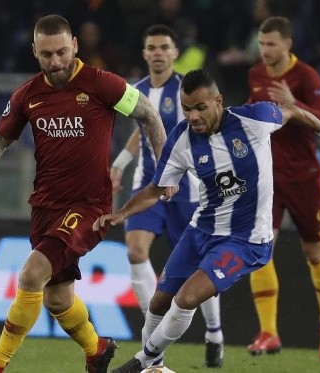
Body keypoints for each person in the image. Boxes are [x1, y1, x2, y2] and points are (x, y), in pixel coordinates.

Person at [0, 15, 168, 373]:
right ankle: (97, 349)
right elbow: (0, 139)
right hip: (46, 205)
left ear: (75, 45)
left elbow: (148, 114)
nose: (56, 62)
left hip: (89, 206)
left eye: (62, 52)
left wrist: (164, 169)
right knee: (56, 298)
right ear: (35, 51)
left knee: (32, 274)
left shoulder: (102, 84)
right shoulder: (28, 95)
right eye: (47, 54)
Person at [98, 69, 320, 373]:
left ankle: (139, 363)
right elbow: (155, 189)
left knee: (186, 299)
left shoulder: (254, 119)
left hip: (245, 241)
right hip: (200, 231)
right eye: (187, 108)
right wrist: (122, 213)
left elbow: (294, 111)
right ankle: (154, 366)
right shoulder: (181, 139)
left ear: (218, 101)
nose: (192, 116)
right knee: (158, 303)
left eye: (200, 107)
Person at [109, 24, 224, 368]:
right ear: (144, 54)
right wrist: (120, 163)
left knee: (199, 270)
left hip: (188, 190)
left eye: (164, 47)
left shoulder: (187, 91)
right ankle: (153, 339)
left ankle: (215, 332)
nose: (158, 53)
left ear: (174, 53)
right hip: (149, 186)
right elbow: (142, 132)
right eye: (152, 47)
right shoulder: (137, 91)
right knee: (134, 250)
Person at [245, 16, 320, 361]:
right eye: (262, 43)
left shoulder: (306, 76)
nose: (265, 50)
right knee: (259, 250)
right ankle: (268, 332)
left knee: (315, 253)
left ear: (288, 44)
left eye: (271, 44)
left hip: (304, 178)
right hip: (268, 178)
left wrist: (293, 102)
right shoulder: (255, 75)